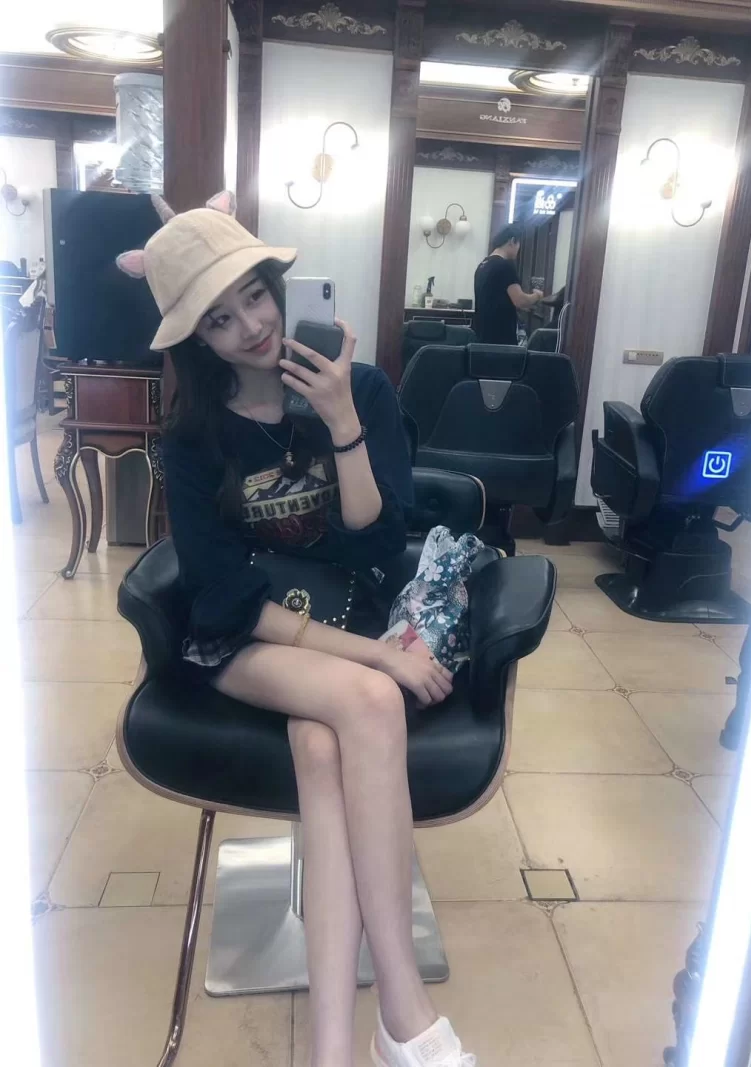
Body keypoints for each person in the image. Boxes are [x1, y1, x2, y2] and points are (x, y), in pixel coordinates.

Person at [117, 191, 477, 1067]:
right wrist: (377, 657)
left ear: (277, 286)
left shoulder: (364, 391)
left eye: (254, 295)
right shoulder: (194, 437)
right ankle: (406, 1015)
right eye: (218, 318)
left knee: (322, 747)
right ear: (197, 340)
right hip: (247, 642)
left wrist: (345, 423)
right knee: (369, 700)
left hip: (348, 608)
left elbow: (378, 545)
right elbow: (227, 597)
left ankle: (331, 1050)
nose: (250, 326)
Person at [472, 222, 544, 345]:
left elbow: (495, 298)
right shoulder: (505, 265)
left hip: (481, 335)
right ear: (512, 241)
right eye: (518, 243)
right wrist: (537, 295)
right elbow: (520, 300)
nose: (518, 248)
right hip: (500, 338)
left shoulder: (483, 265)